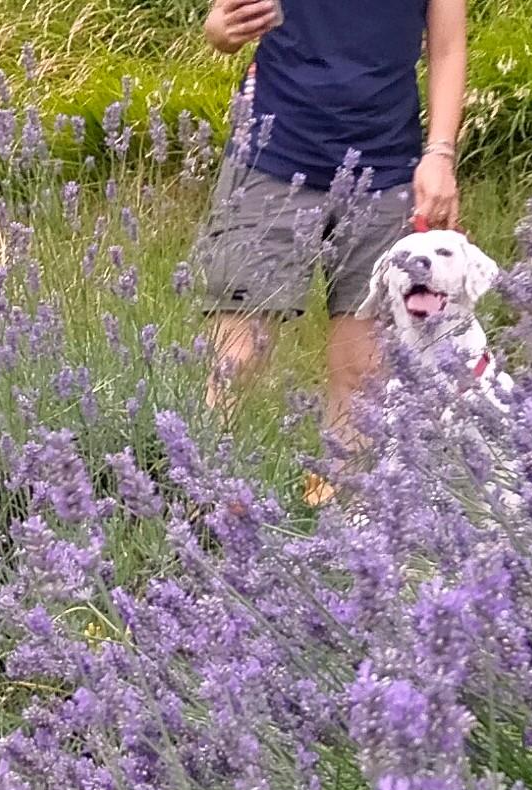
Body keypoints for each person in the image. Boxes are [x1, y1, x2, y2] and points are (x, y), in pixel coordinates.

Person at [196, 0, 468, 454]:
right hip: (272, 156)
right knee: (236, 360)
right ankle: (202, 506)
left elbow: (448, 47)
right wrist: (220, 28)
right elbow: (222, 22)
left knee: (364, 375)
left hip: (386, 167)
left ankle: (338, 515)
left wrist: (440, 154)